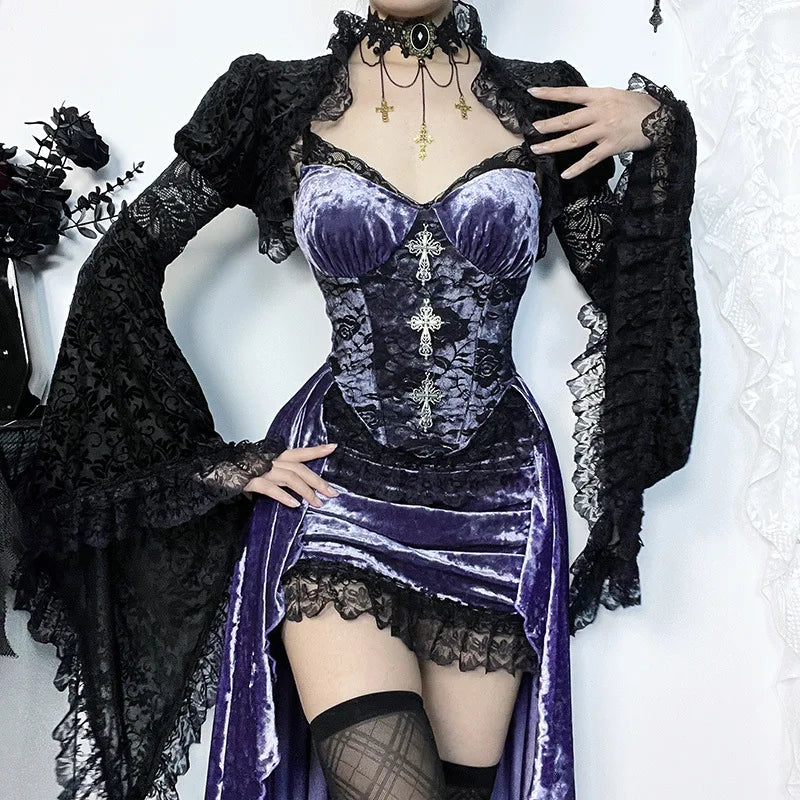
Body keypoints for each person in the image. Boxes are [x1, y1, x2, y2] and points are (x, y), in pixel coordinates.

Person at [8, 2, 700, 799]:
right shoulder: (271, 101)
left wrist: (658, 134)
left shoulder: (545, 102)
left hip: (499, 506)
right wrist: (212, 468)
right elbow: (123, 261)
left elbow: (630, 298)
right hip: (336, 492)